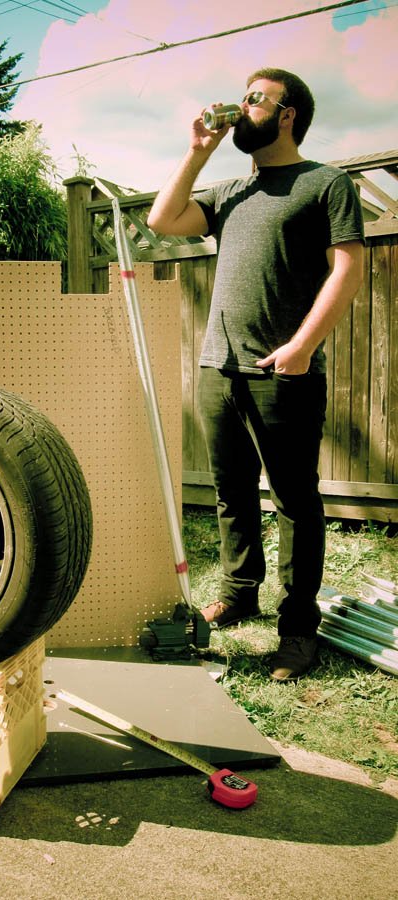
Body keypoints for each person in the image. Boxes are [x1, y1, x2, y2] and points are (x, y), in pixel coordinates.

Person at [147, 67, 365, 681]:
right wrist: (196, 152)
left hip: (283, 371)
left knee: (295, 501)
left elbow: (346, 270)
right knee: (232, 493)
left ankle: (297, 629)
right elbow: (163, 222)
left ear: (287, 112)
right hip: (220, 367)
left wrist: (302, 345)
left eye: (254, 99)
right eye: (241, 96)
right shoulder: (228, 193)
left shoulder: (325, 184)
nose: (241, 106)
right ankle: (241, 593)